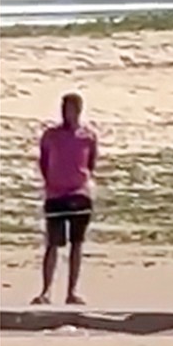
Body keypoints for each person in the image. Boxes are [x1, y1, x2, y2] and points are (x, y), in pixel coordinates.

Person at [33, 93, 98, 305]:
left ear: (78, 110)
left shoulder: (88, 136)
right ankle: (46, 291)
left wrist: (80, 181)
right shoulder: (50, 135)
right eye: (64, 107)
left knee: (76, 244)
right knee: (53, 244)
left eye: (70, 108)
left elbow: (91, 163)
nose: (65, 112)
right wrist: (52, 181)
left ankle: (72, 291)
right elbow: (43, 161)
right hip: (55, 195)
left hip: (79, 195)